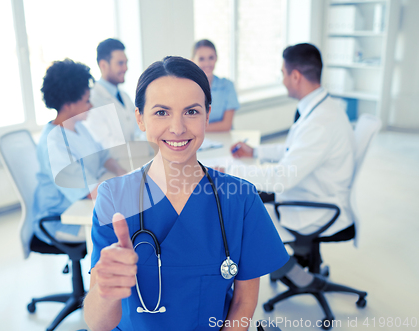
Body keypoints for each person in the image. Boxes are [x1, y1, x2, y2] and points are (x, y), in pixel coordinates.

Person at [83, 56, 290, 330]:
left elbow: (243, 303)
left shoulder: (241, 200)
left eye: (191, 111)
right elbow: (98, 324)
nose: (178, 128)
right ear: (140, 118)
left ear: (207, 114)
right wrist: (106, 291)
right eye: (161, 112)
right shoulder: (114, 197)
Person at [230, 43, 356, 238]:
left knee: (237, 214)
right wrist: (256, 152)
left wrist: (230, 172)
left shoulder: (319, 123)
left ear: (296, 76)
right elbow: (294, 150)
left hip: (313, 209)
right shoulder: (323, 109)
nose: (283, 81)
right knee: (248, 195)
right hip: (307, 192)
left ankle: (289, 269)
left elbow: (282, 178)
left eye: (283, 74)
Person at [32, 59, 126, 245]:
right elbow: (89, 192)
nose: (90, 106)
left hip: (86, 207)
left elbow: (103, 156)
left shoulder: (77, 126)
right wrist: (129, 188)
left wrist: (122, 173)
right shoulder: (54, 144)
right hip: (65, 219)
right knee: (128, 229)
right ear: (68, 105)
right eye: (86, 101)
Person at [84, 38, 141, 148]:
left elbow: (139, 131)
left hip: (134, 160)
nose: (125, 68)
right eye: (120, 63)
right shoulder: (92, 100)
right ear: (103, 65)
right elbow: (105, 144)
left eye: (126, 62)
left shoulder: (125, 97)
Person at [192, 39, 239, 132]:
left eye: (211, 58)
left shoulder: (227, 86)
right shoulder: (188, 88)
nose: (207, 63)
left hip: (224, 138)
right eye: (201, 59)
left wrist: (196, 129)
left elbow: (226, 125)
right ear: (193, 60)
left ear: (216, 58)